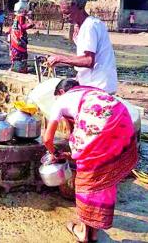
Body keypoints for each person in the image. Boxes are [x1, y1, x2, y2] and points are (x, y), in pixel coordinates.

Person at [43, 78, 138, 242]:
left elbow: (47, 139)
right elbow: (77, 131)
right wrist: (70, 153)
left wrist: (54, 153)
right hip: (122, 124)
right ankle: (94, 231)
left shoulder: (62, 100)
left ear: (60, 92)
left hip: (100, 129)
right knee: (105, 178)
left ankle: (83, 233)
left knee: (86, 180)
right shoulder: (92, 94)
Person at [48, 0, 118, 94]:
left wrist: (60, 59)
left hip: (98, 84)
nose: (65, 17)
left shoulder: (89, 26)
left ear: (79, 8)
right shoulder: (86, 25)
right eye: (63, 13)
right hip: (96, 82)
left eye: (67, 13)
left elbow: (88, 60)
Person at [7, 9, 34, 73]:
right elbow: (31, 24)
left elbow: (8, 33)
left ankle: (16, 68)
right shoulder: (21, 26)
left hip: (14, 46)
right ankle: (20, 69)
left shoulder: (13, 27)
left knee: (16, 58)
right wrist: (28, 18)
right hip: (20, 46)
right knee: (21, 58)